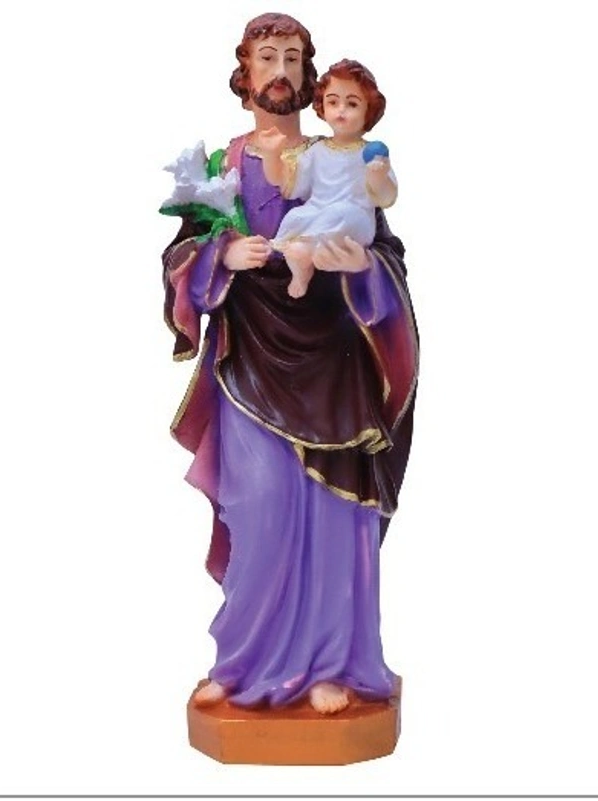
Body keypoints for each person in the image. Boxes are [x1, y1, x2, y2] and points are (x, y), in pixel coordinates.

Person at [161, 13, 419, 715]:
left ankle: (334, 662)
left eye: (294, 58)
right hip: (250, 362)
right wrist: (222, 254)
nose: (281, 71)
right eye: (267, 57)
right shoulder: (222, 166)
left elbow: (388, 254)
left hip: (332, 359)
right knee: (260, 507)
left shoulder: (340, 154)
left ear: (310, 76)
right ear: (244, 73)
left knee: (335, 517)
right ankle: (243, 660)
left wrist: (362, 266)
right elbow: (179, 257)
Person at [259, 59, 397, 298]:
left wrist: (378, 175)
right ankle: (302, 269)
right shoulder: (316, 150)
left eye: (352, 104)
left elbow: (386, 198)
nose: (341, 110)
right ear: (322, 105)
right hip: (318, 212)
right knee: (295, 215)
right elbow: (291, 187)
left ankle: (318, 252)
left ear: (369, 110)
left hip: (353, 217)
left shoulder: (370, 153)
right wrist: (272, 156)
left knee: (339, 213)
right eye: (333, 102)